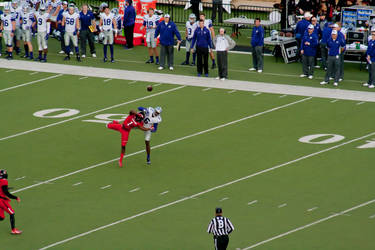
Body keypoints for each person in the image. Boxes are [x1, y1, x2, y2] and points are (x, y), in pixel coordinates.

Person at [0, 170, 22, 235]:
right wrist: (16, 197)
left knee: (1, 217)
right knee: (12, 213)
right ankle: (13, 230)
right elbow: (6, 193)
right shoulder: (4, 181)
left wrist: (6, 188)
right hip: (1, 200)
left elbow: (3, 189)